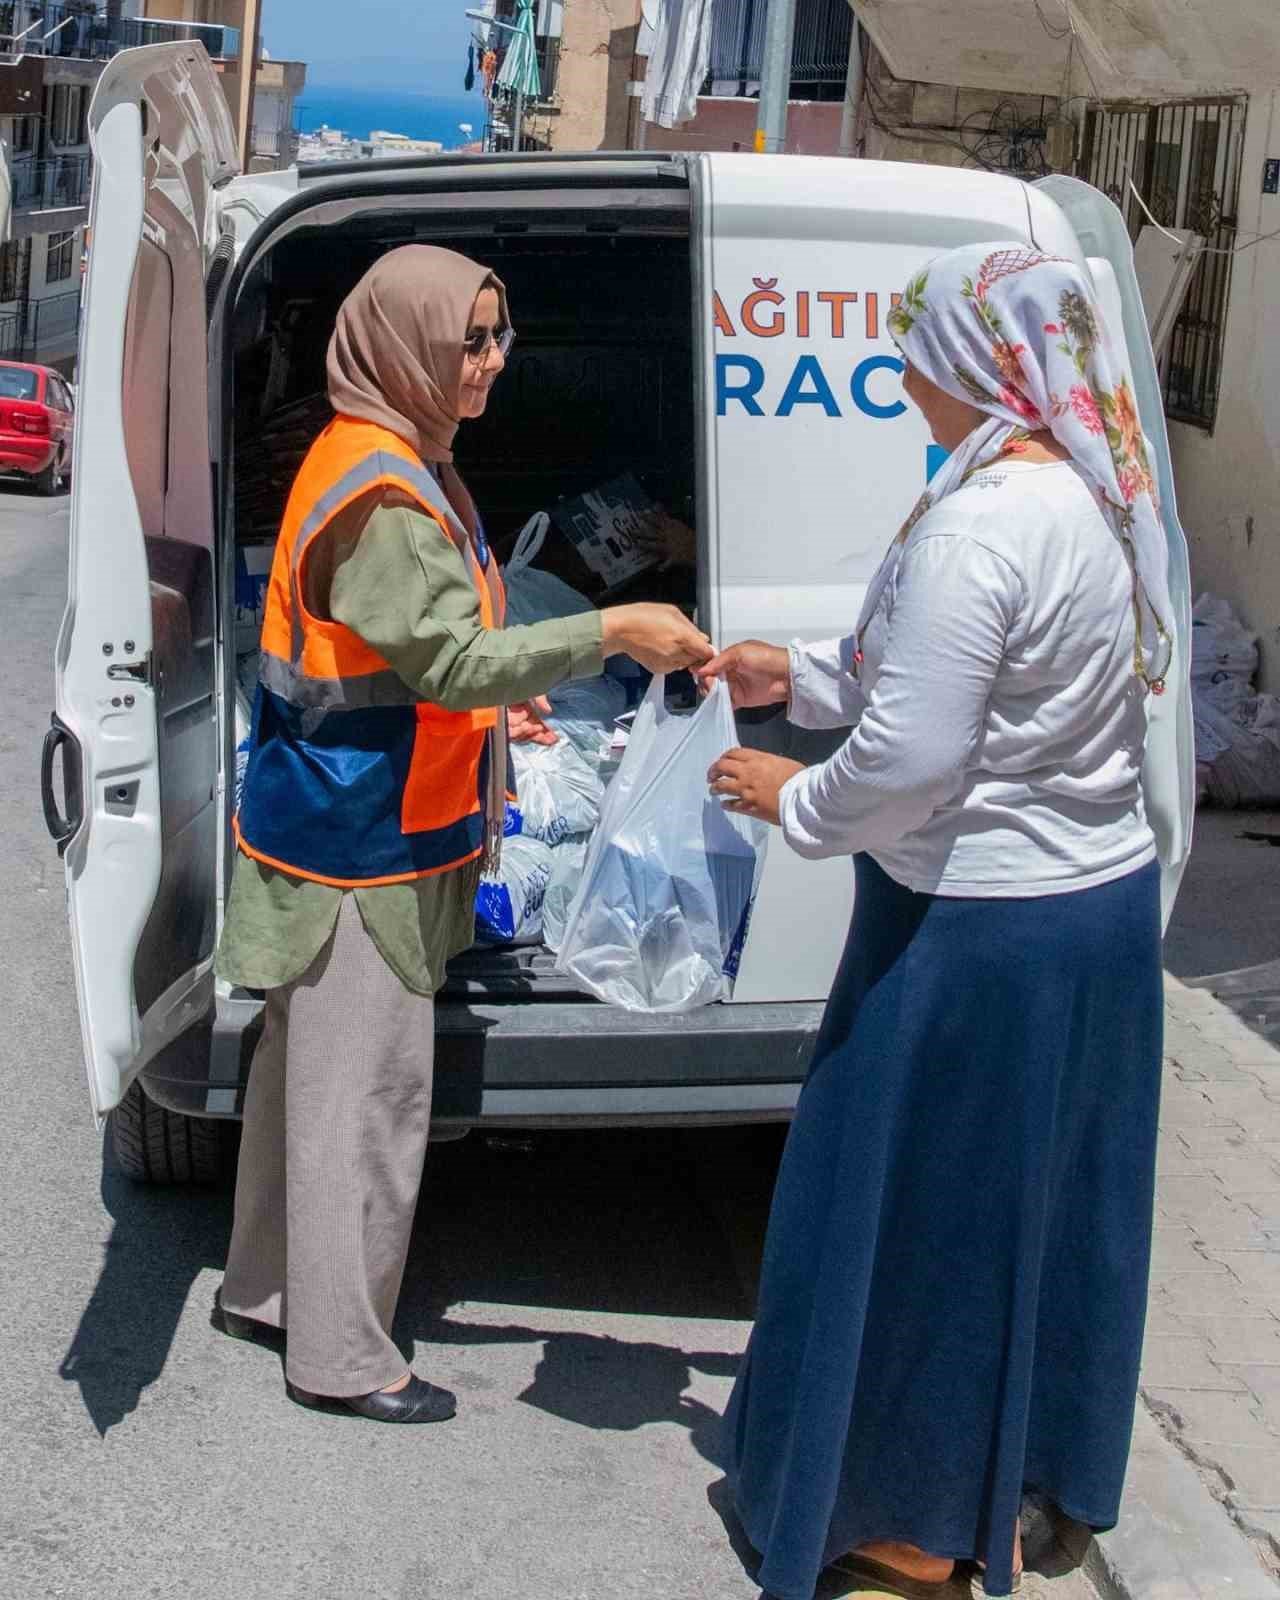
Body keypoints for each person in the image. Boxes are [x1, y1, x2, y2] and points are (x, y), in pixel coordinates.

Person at [702, 244, 1175, 1598]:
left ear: (974, 365)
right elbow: (910, 669)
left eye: (914, 345)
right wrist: (787, 672)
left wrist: (788, 794)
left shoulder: (981, 526)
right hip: (1084, 915)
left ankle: (909, 1526)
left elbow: (908, 759)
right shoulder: (1070, 494)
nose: (898, 369)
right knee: (1040, 1211)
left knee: (922, 1225)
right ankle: (1033, 1469)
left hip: (975, 939)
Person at [215, 245, 712, 1424]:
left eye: (498, 337)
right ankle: (341, 1356)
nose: (490, 362)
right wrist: (609, 631)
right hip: (361, 836)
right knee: (365, 1100)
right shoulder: (384, 491)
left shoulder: (396, 455)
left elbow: (426, 658)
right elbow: (445, 657)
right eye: (468, 341)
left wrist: (497, 695)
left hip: (342, 818)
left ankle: (267, 1290)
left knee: (306, 1081)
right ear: (404, 347)